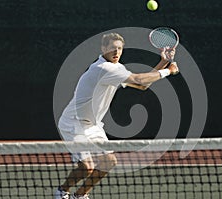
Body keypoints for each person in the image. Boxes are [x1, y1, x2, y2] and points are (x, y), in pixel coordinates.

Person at [55, 33, 179, 199]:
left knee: (109, 162)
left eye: (120, 48)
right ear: (103, 49)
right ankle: (62, 191)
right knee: (86, 167)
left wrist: (163, 62)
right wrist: (168, 71)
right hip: (74, 123)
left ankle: (80, 195)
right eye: (113, 48)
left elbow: (142, 85)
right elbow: (139, 79)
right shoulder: (103, 68)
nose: (116, 52)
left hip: (93, 125)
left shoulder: (117, 68)